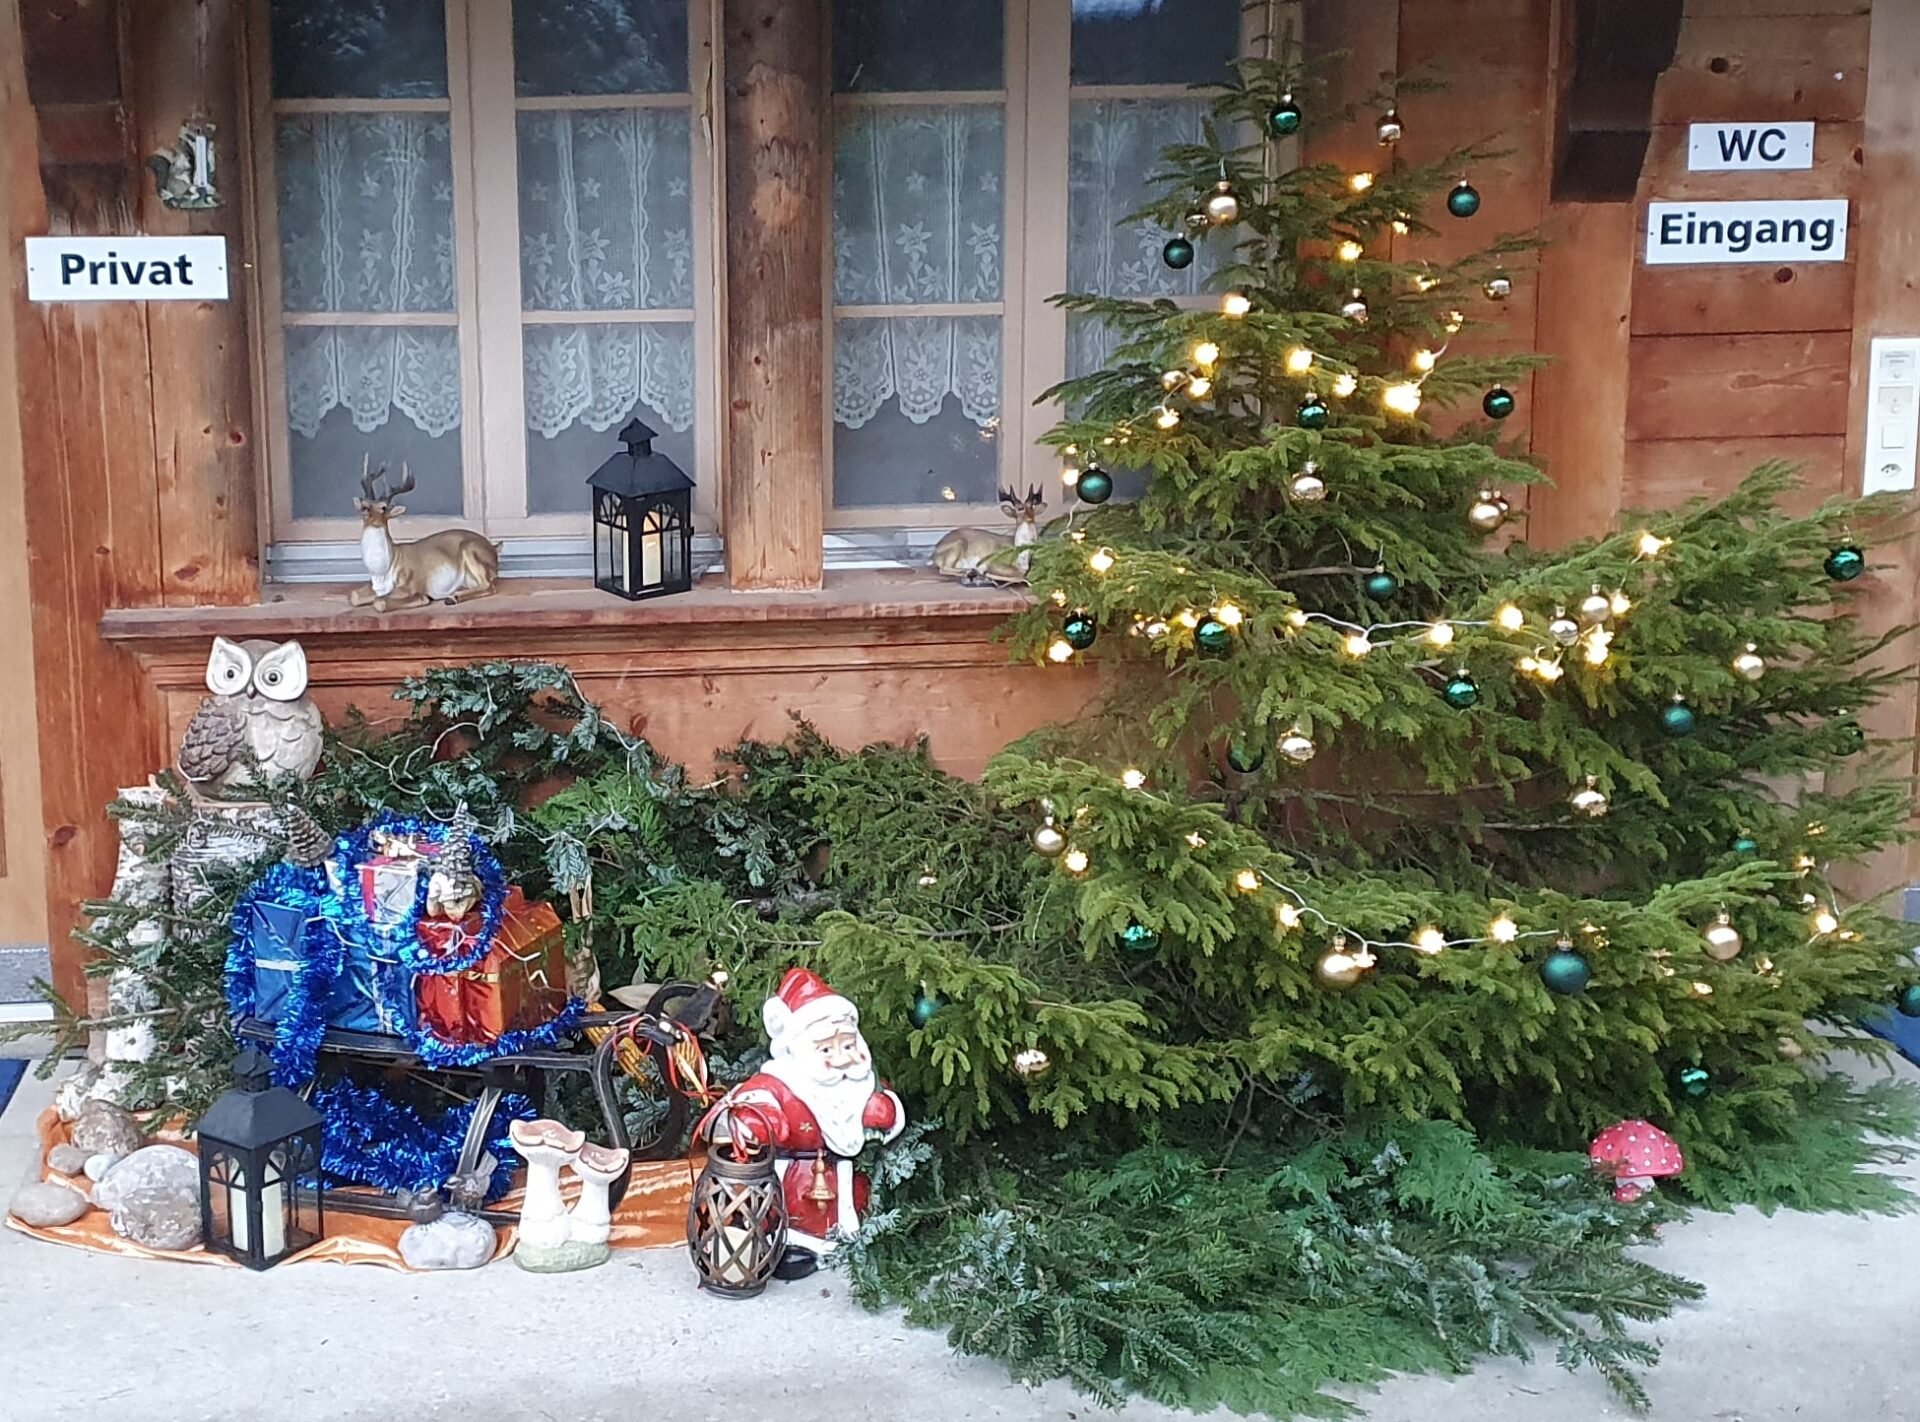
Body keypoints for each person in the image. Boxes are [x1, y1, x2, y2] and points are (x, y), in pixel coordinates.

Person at [699, 967, 906, 1278]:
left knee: (854, 1213)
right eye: (826, 1049)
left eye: (847, 1046)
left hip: (848, 1177)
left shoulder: (861, 1082)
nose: (841, 1057)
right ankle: (790, 1243)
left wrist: (886, 1110)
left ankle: (854, 1241)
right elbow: (747, 1105)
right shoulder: (782, 1081)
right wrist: (760, 1121)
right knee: (794, 1217)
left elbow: (887, 1108)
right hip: (798, 1179)